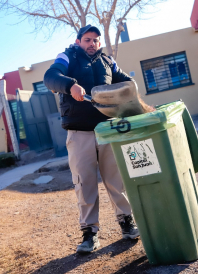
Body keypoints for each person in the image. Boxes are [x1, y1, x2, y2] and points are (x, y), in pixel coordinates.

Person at [44, 25, 139, 253]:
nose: (92, 43)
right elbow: (50, 77)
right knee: (84, 184)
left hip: (108, 131)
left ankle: (127, 222)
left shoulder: (107, 62)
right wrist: (70, 85)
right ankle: (89, 234)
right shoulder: (67, 56)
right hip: (79, 133)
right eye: (87, 39)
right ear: (78, 41)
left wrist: (128, 94)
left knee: (117, 181)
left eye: (95, 40)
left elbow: (127, 83)